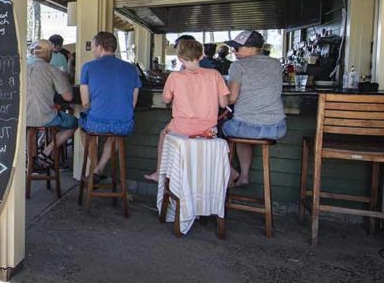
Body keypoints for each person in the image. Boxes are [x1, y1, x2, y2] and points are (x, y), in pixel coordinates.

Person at [144, 39, 229, 182]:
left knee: (163, 135)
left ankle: (160, 173)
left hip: (180, 130)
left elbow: (165, 99)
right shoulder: (215, 75)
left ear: (179, 58)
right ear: (201, 56)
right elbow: (223, 103)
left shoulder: (175, 77)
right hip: (208, 131)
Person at [222, 30, 287, 187]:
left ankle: (230, 171)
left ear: (251, 48)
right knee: (243, 133)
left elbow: (232, 98)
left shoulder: (237, 66)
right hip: (277, 128)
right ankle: (244, 176)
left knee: (213, 130)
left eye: (237, 48)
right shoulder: (276, 64)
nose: (233, 51)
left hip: (246, 128)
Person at [80, 32, 141, 179]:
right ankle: (99, 168)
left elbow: (85, 102)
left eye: (94, 47)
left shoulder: (88, 67)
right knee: (115, 135)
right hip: (124, 126)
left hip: (96, 125)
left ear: (100, 47)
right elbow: (133, 103)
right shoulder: (132, 68)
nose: (93, 50)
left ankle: (94, 166)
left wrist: (97, 108)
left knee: (83, 127)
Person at [26, 40, 76, 168]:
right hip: (45, 117)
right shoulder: (52, 69)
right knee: (74, 123)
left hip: (23, 119)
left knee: (30, 128)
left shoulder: (22, 67)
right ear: (48, 53)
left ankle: (30, 158)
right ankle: (46, 152)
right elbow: (68, 96)